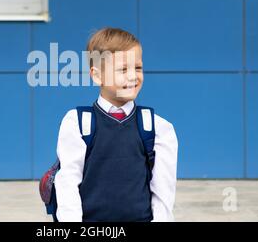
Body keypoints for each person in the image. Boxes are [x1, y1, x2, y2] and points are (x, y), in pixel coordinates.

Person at [54, 27, 178, 222]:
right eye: (123, 69)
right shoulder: (78, 123)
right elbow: (67, 183)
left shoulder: (157, 127)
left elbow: (164, 192)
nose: (132, 76)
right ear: (97, 76)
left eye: (137, 68)